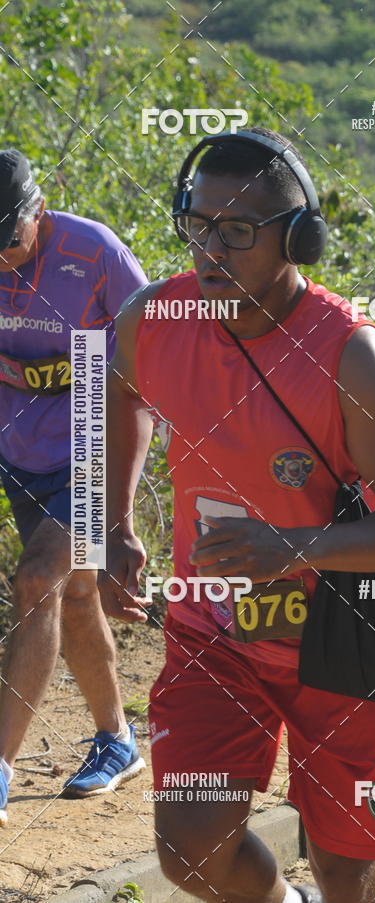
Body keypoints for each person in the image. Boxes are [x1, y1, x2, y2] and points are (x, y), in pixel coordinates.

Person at [101, 127, 375, 903]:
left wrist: (290, 547)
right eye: (197, 224)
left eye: (238, 231)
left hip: (342, 641)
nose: (210, 249)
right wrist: (115, 526)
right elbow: (116, 392)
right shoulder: (152, 319)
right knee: (188, 850)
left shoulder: (353, 356)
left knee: (350, 878)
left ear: (299, 239)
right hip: (212, 633)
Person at [0, 149, 147, 828]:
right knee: (77, 589)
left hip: (93, 433)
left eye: (11, 242)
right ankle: (117, 740)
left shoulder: (95, 252)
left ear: (40, 209)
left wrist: (119, 514)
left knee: (36, 579)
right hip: (17, 447)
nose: (3, 259)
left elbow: (152, 360)